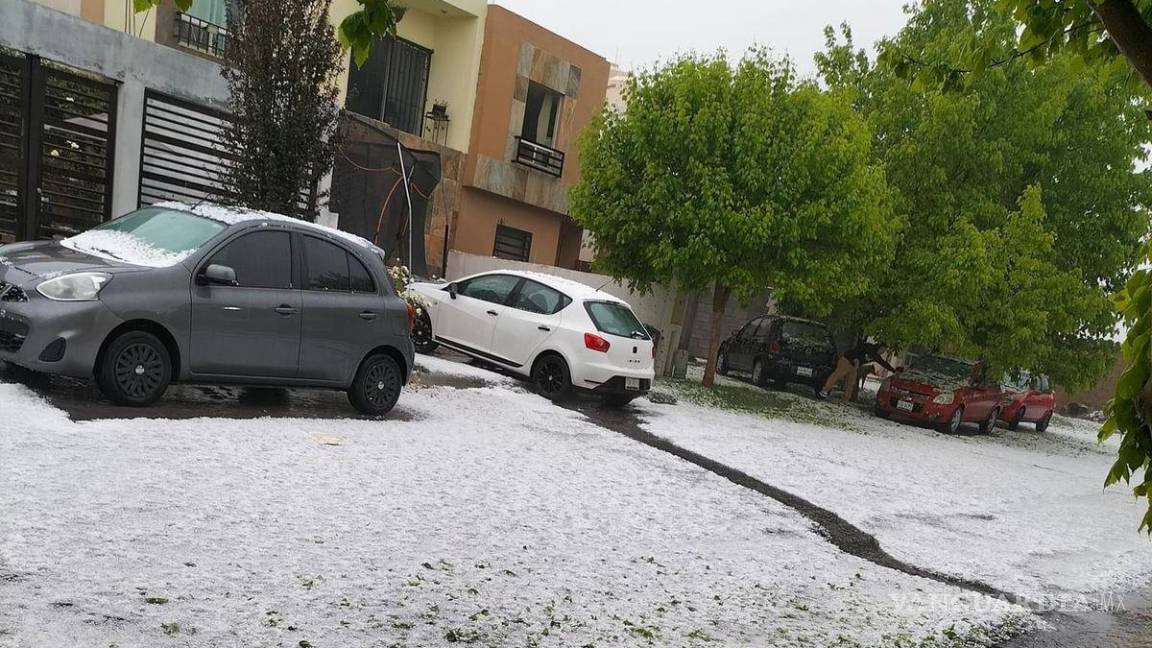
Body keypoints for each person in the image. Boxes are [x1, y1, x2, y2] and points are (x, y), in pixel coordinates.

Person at [820, 339, 899, 403]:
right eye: (883, 349)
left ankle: (845, 399)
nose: (883, 352)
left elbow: (883, 363)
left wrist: (893, 370)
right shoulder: (868, 347)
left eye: (884, 350)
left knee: (851, 382)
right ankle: (825, 390)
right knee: (838, 374)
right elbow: (857, 350)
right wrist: (856, 358)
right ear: (880, 347)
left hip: (855, 366)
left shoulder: (876, 356)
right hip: (847, 360)